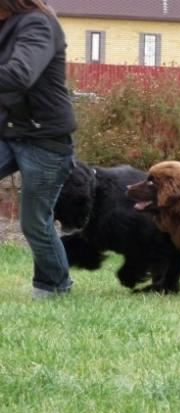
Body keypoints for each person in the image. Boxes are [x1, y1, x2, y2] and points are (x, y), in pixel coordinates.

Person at [0, 0, 77, 298]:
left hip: (46, 139)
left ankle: (54, 286)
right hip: (9, 131)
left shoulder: (38, 24)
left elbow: (20, 74)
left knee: (34, 221)